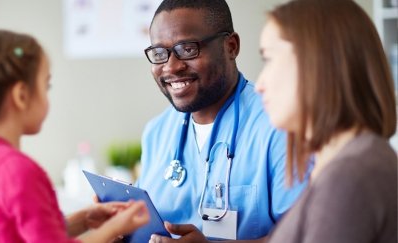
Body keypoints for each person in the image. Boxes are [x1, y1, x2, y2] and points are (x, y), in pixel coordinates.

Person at [0, 29, 150, 243]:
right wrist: (114, 228)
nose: (48, 95)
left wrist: (83, 220)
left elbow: (19, 233)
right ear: (21, 95)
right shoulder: (18, 170)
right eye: (47, 85)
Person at [137, 0, 308, 242]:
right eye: (159, 53)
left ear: (231, 46)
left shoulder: (280, 126)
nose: (171, 67)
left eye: (187, 49)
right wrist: (125, 230)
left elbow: (306, 235)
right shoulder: (156, 132)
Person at [254, 0, 397, 242]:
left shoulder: (351, 177)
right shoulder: (354, 161)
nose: (259, 85)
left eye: (269, 59)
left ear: (317, 61)